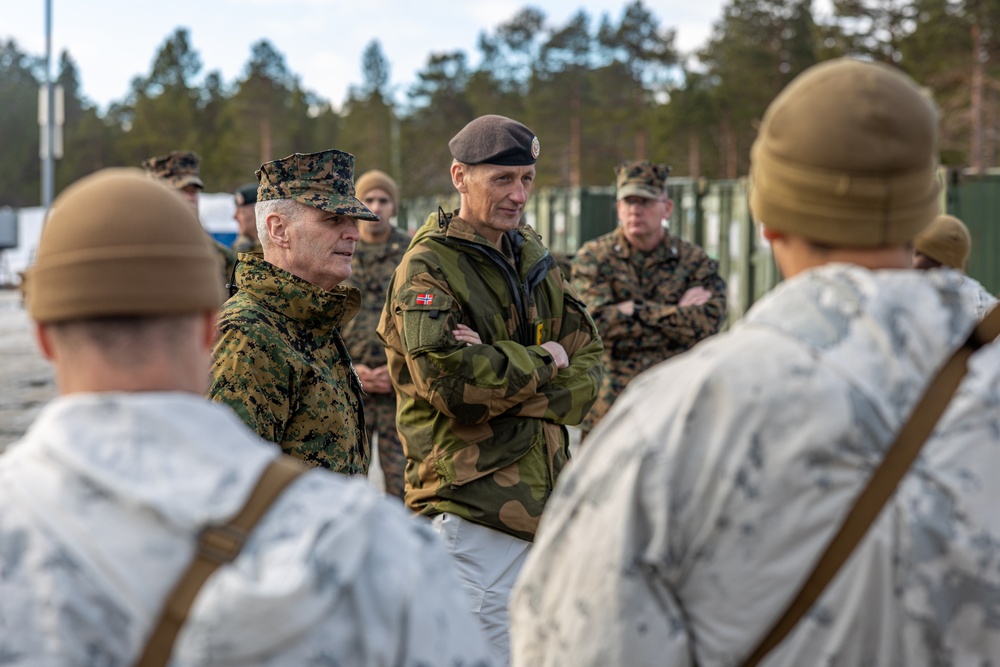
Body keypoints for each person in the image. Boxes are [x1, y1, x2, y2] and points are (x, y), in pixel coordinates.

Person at [510, 59, 1000, 666]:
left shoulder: (672, 421)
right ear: (923, 209)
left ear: (766, 220)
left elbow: (576, 646)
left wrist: (637, 314)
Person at [0, 168, 496, 666]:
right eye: (333, 218)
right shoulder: (370, 551)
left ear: (42, 339)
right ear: (207, 328)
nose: (351, 231)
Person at [377, 114, 604, 664]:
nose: (518, 194)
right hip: (469, 514)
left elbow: (591, 368)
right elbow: (451, 385)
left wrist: (501, 363)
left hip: (541, 513)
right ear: (460, 176)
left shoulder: (529, 255)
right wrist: (545, 358)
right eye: (502, 179)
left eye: (526, 179)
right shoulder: (429, 267)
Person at [209, 149, 373, 475]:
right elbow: (228, 483)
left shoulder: (311, 317)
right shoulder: (249, 335)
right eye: (333, 219)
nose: (354, 233)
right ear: (279, 230)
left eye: (353, 221)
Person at [571, 160, 727, 439]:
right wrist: (676, 314)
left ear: (666, 208)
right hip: (610, 411)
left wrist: (636, 311)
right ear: (618, 208)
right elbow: (594, 327)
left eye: (645, 201)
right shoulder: (594, 257)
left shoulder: (693, 260)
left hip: (677, 408)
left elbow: (709, 323)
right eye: (628, 202)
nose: (635, 210)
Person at [341, 169, 410, 499]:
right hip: (352, 391)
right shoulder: (340, 250)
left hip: (401, 390)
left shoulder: (411, 253)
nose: (376, 206)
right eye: (368, 199)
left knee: (405, 490)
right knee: (350, 487)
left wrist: (398, 371)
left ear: (393, 206)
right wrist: (354, 373)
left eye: (383, 200)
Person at [142, 150, 237, 285]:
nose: (190, 198)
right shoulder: (139, 253)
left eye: (194, 191)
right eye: (180, 190)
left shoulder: (220, 256)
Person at [232, 181, 262, 254]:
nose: (234, 216)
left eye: (240, 211)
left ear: (257, 213)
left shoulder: (276, 251)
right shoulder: (241, 248)